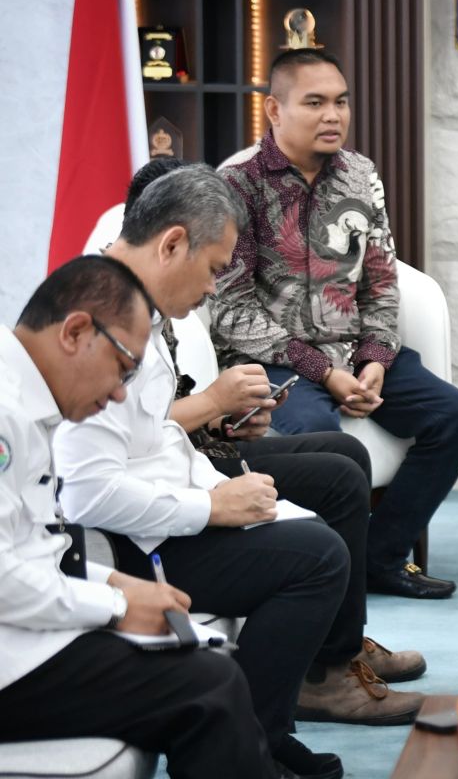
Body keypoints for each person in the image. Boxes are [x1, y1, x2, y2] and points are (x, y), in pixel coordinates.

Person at [51, 166, 417, 779]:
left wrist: (218, 482)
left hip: (152, 515)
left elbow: (153, 439)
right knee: (317, 557)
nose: (213, 289)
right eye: (214, 269)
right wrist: (212, 506)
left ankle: (262, 734)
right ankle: (249, 744)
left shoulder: (130, 305)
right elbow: (84, 492)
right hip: (119, 545)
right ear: (172, 244)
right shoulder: (101, 325)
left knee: (316, 534)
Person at [212, 48, 458, 600]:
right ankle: (332, 577)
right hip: (272, 362)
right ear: (275, 109)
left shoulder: (360, 174)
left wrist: (376, 359)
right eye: (315, 103)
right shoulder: (238, 185)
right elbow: (231, 308)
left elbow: (381, 280)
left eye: (341, 102)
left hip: (354, 353)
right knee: (327, 446)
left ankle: (379, 559)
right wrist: (323, 371)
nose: (333, 115)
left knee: (455, 416)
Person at [0, 255, 278, 779]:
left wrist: (113, 583)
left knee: (208, 672)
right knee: (209, 687)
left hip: (21, 622)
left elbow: (33, 543)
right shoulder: (5, 409)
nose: (120, 393)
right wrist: (114, 606)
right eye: (122, 366)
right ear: (75, 332)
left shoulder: (28, 395)